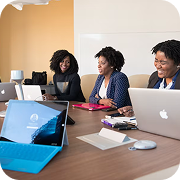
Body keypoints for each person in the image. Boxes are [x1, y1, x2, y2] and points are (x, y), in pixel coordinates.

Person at [118, 39, 180, 116]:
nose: (157, 65)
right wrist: (135, 110)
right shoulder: (154, 77)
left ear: (178, 63)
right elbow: (149, 105)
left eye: (163, 62)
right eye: (156, 60)